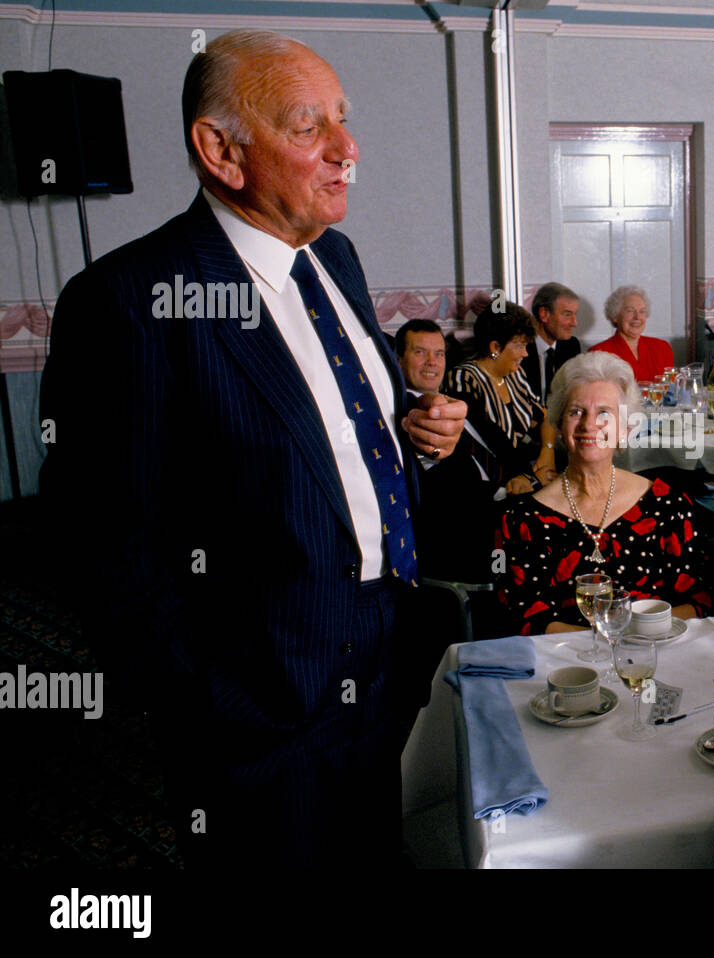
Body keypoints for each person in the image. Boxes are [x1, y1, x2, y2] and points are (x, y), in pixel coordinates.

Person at [38, 29, 469, 867]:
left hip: (389, 659)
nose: (349, 150)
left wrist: (418, 436)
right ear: (221, 150)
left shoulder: (333, 256)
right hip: (260, 702)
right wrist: (207, 702)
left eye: (343, 121)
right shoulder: (128, 300)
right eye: (311, 128)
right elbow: (101, 546)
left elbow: (329, 434)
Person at [494, 352, 710, 634]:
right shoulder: (522, 519)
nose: (588, 424)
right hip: (566, 667)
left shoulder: (669, 505)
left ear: (625, 427)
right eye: (575, 412)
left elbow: (698, 602)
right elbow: (521, 617)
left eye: (604, 413)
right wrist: (602, 643)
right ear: (559, 425)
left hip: (653, 656)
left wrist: (631, 638)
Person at [396, 319, 502, 582]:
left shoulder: (467, 402)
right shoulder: (406, 417)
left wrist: (527, 477)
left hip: (508, 514)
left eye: (439, 354)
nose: (432, 362)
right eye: (420, 352)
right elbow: (448, 495)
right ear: (399, 360)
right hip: (471, 538)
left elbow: (509, 453)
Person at [445, 301, 559, 496]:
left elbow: (546, 416)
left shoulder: (515, 374)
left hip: (529, 469)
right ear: (495, 347)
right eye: (519, 345)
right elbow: (490, 444)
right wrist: (534, 477)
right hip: (496, 482)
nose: (525, 353)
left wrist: (548, 452)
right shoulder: (464, 379)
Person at [589, 284, 675, 382]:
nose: (637, 317)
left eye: (642, 311)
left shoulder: (662, 348)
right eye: (630, 311)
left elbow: (671, 391)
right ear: (615, 316)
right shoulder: (599, 353)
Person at [522, 282, 582, 400]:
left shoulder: (571, 346)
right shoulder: (520, 348)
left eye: (575, 315)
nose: (575, 323)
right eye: (567, 315)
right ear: (544, 314)